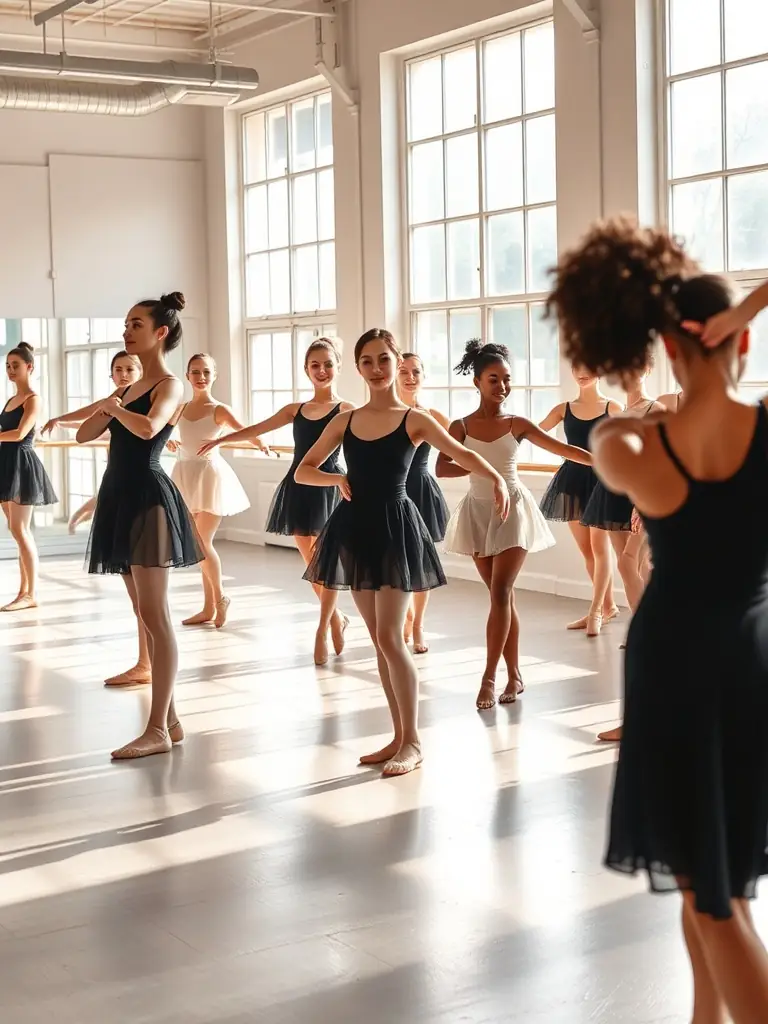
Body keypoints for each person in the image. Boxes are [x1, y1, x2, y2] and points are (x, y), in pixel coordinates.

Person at [548, 216, 768, 1024]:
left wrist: (682, 365)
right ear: (740, 342)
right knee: (711, 872)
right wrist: (743, 317)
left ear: (667, 350)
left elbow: (610, 429)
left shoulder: (632, 449)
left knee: (712, 897)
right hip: (750, 660)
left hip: (675, 662)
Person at [296, 328, 510, 777]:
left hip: (395, 529)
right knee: (379, 640)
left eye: (384, 360)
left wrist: (496, 479)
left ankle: (413, 741)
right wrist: (337, 480)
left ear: (397, 364)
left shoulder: (413, 418)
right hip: (355, 530)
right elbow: (303, 471)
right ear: (358, 368)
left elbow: (461, 453)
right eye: (368, 362)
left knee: (392, 637)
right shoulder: (345, 420)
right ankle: (397, 735)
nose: (376, 369)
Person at [77, 292, 202, 760]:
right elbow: (85, 433)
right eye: (126, 324)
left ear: (160, 332)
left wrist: (115, 409)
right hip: (119, 498)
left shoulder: (169, 384)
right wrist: (109, 404)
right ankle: (170, 718)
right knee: (143, 615)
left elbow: (150, 429)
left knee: (157, 616)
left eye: (135, 324)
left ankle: (156, 729)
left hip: (149, 498)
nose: (126, 331)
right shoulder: (126, 391)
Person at [437, 340, 592, 710]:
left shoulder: (517, 423)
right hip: (477, 513)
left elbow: (566, 451)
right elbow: (442, 468)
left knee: (501, 592)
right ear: (476, 382)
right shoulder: (459, 426)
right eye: (494, 379)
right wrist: (482, 472)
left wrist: (606, 461)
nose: (502, 386)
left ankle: (489, 678)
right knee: (501, 597)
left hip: (513, 512)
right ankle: (515, 673)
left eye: (507, 379)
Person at [200, 337, 353, 666]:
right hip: (298, 485)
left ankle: (326, 625)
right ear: (305, 370)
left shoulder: (347, 410)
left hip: (328, 486)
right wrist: (223, 439)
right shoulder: (294, 410)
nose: (322, 370)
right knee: (312, 563)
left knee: (325, 562)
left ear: (338, 367)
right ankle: (337, 616)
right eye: (315, 365)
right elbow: (258, 427)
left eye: (328, 364)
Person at [168, 353, 261, 628]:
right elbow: (164, 433)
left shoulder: (219, 409)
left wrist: (262, 444)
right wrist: (170, 442)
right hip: (185, 475)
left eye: (206, 372)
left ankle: (220, 599)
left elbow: (246, 431)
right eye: (195, 372)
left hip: (210, 477)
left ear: (214, 376)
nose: (201, 377)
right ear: (187, 375)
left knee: (201, 543)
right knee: (198, 545)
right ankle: (208, 608)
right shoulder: (181, 408)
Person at [578, 357, 664, 635]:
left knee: (637, 562)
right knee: (624, 561)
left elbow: (658, 461)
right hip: (612, 492)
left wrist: (642, 502)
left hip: (641, 495)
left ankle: (649, 628)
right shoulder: (618, 410)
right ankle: (641, 629)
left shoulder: (655, 409)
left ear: (648, 370)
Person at [539, 365, 622, 633]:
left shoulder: (613, 407)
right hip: (572, 480)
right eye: (577, 367)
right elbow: (532, 433)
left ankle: (595, 611)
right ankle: (608, 606)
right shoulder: (563, 409)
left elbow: (629, 444)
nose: (582, 372)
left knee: (600, 550)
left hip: (602, 481)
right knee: (587, 551)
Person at [42, 350, 142, 535]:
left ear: (140, 372)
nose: (124, 374)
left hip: (139, 470)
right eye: (118, 370)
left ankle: (75, 520)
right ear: (111, 375)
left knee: (126, 518)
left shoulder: (144, 401)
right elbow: (89, 413)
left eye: (129, 369)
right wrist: (59, 419)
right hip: (117, 466)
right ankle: (75, 521)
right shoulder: (111, 401)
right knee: (111, 510)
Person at [396, 352, 450, 653]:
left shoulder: (434, 416)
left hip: (422, 489)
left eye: (416, 371)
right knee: (395, 561)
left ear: (424, 376)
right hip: (392, 490)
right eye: (403, 371)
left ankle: (418, 625)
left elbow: (458, 447)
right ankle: (405, 615)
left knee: (420, 563)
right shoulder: (387, 413)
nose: (410, 377)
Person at [0, 342, 57, 611]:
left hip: (22, 463)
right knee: (15, 530)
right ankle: (22, 591)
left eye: (16, 366)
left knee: (21, 530)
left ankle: (31, 593)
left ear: (29, 367)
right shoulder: (11, 400)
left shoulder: (34, 398)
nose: (11, 370)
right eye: (8, 366)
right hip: (5, 463)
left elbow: (21, 433)